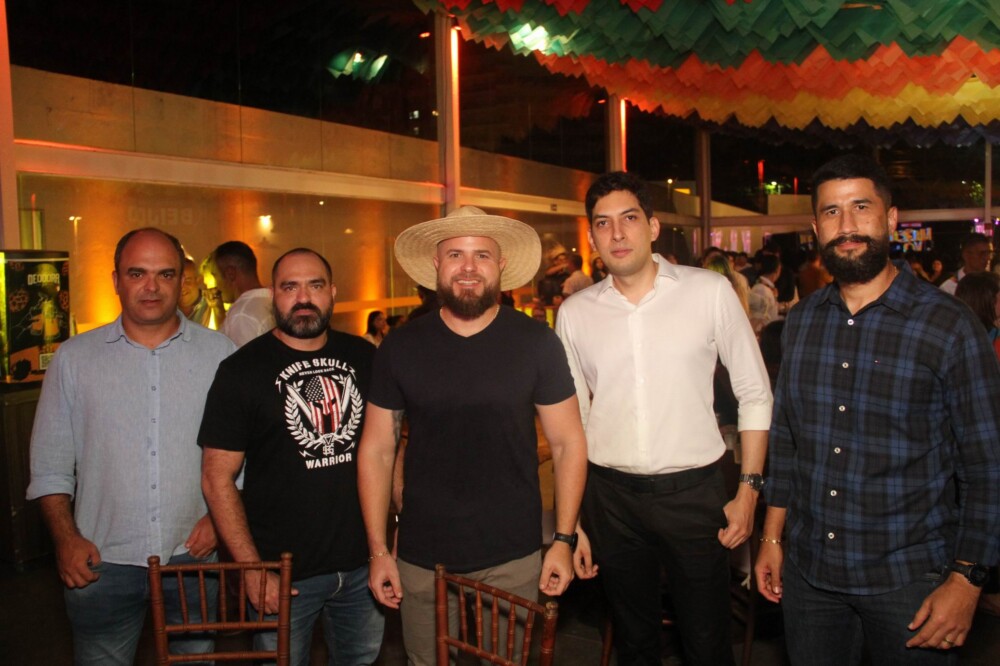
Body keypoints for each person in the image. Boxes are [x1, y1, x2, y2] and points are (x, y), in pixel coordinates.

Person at [755, 154, 1000, 664]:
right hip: (811, 576)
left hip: (910, 580)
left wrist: (967, 580)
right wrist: (772, 537)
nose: (846, 226)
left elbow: (987, 467)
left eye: (860, 207)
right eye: (831, 212)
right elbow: (788, 441)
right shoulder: (801, 322)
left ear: (890, 219)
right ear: (816, 228)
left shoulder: (948, 325)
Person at [556, 172, 773, 666]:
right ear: (592, 237)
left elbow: (755, 393)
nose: (617, 233)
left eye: (629, 218)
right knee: (633, 643)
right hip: (610, 499)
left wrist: (748, 491)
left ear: (652, 227)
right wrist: (574, 524)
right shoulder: (575, 312)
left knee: (707, 642)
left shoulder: (709, 291)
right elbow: (574, 422)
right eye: (603, 223)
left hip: (694, 495)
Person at [357, 205, 588, 666]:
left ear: (500, 265)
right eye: (455, 255)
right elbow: (377, 450)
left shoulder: (537, 342)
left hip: (512, 552)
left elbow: (568, 444)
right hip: (422, 555)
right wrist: (378, 550)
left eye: (481, 255)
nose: (468, 267)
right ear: (436, 265)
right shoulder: (400, 346)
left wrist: (563, 540)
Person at [27, 228, 236, 665]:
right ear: (116, 280)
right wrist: (65, 539)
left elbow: (246, 454)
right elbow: (49, 465)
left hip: (193, 557)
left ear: (182, 281)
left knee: (196, 661)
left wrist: (219, 520)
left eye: (165, 274)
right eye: (137, 273)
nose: (152, 286)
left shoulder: (221, 355)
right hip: (100, 559)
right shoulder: (74, 359)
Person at [200, 248, 383, 666]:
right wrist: (250, 568)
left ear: (332, 292)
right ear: (273, 297)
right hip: (279, 575)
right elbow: (216, 477)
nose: (303, 298)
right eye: (289, 287)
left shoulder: (365, 357)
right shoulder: (240, 371)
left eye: (315, 285)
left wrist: (389, 547)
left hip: (363, 567)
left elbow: (390, 449)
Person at [208, 240, 276, 346]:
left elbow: (244, 356)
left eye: (215, 276)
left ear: (230, 274)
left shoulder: (242, 315)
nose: (216, 285)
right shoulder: (272, 300)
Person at [179, 257, 225, 329]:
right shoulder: (167, 308)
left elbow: (224, 331)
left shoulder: (211, 302)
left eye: (187, 280)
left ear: (198, 280)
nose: (182, 286)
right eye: (178, 281)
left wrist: (218, 309)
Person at [749, 254, 782, 334]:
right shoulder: (761, 289)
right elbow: (758, 318)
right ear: (777, 270)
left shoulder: (764, 287)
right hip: (763, 333)